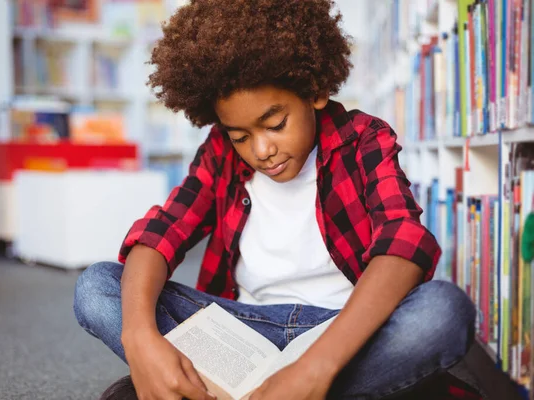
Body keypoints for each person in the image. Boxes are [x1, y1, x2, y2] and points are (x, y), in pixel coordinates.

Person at [74, 1, 481, 399]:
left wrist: (313, 367)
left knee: (441, 311)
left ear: (314, 91)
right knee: (97, 287)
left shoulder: (363, 140)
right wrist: (140, 338)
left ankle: (269, 388)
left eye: (275, 124)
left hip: (338, 333)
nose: (262, 149)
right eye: (241, 136)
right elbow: (162, 233)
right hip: (241, 334)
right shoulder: (219, 152)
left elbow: (403, 241)